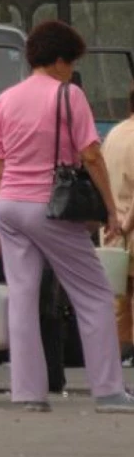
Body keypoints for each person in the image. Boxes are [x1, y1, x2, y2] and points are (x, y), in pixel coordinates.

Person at [0, 19, 134, 413]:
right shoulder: (69, 96)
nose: (71, 71)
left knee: (23, 297)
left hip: (9, 208)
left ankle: (29, 393)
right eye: (71, 63)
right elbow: (90, 156)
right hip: (48, 206)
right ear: (59, 60)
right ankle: (108, 390)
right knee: (95, 292)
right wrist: (111, 210)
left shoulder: (5, 99)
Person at [100, 84, 134, 359]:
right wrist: (127, 225)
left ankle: (117, 358)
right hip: (129, 229)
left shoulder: (113, 134)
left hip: (111, 232)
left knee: (118, 300)